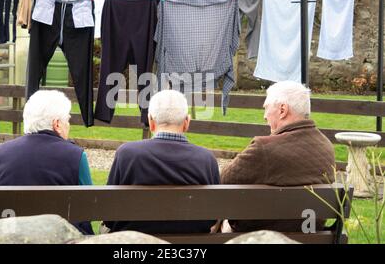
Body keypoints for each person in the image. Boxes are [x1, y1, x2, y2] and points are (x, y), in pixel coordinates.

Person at [221, 81, 336, 232]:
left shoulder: (264, 149)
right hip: (310, 235)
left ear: (282, 110)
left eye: (266, 108)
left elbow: (222, 180)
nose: (264, 116)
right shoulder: (327, 146)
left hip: (261, 237)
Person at [103, 89, 220, 234]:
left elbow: (108, 213)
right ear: (186, 122)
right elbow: (213, 217)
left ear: (151, 121)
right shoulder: (207, 159)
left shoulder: (127, 154)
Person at [0, 90, 94, 235]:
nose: (68, 125)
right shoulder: (75, 155)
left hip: (12, 236)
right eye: (67, 120)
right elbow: (91, 206)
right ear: (57, 124)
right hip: (63, 237)